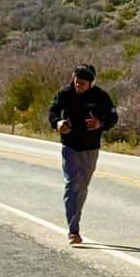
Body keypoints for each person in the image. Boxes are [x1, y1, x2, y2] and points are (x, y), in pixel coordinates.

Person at [48, 64, 118, 246]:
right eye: (76, 82)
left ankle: (75, 219)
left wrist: (100, 124)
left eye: (83, 84)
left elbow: (113, 117)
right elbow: (53, 111)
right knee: (72, 184)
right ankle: (73, 230)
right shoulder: (64, 94)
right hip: (70, 146)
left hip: (90, 147)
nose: (78, 86)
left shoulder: (100, 97)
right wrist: (58, 123)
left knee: (82, 186)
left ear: (91, 83)